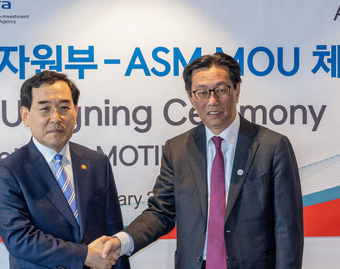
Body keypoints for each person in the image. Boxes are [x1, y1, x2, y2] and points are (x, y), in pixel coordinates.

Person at [103, 52, 304, 268]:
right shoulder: (178, 149)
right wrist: (121, 242)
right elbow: (161, 212)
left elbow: (288, 229)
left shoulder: (272, 147)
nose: (212, 101)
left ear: (236, 90)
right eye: (201, 92)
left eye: (221, 90)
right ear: (191, 97)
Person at [0, 70, 130, 269]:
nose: (56, 118)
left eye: (64, 107)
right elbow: (19, 239)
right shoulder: (8, 172)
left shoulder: (97, 163)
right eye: (45, 108)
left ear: (76, 113)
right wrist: (84, 255)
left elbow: (113, 234)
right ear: (25, 115)